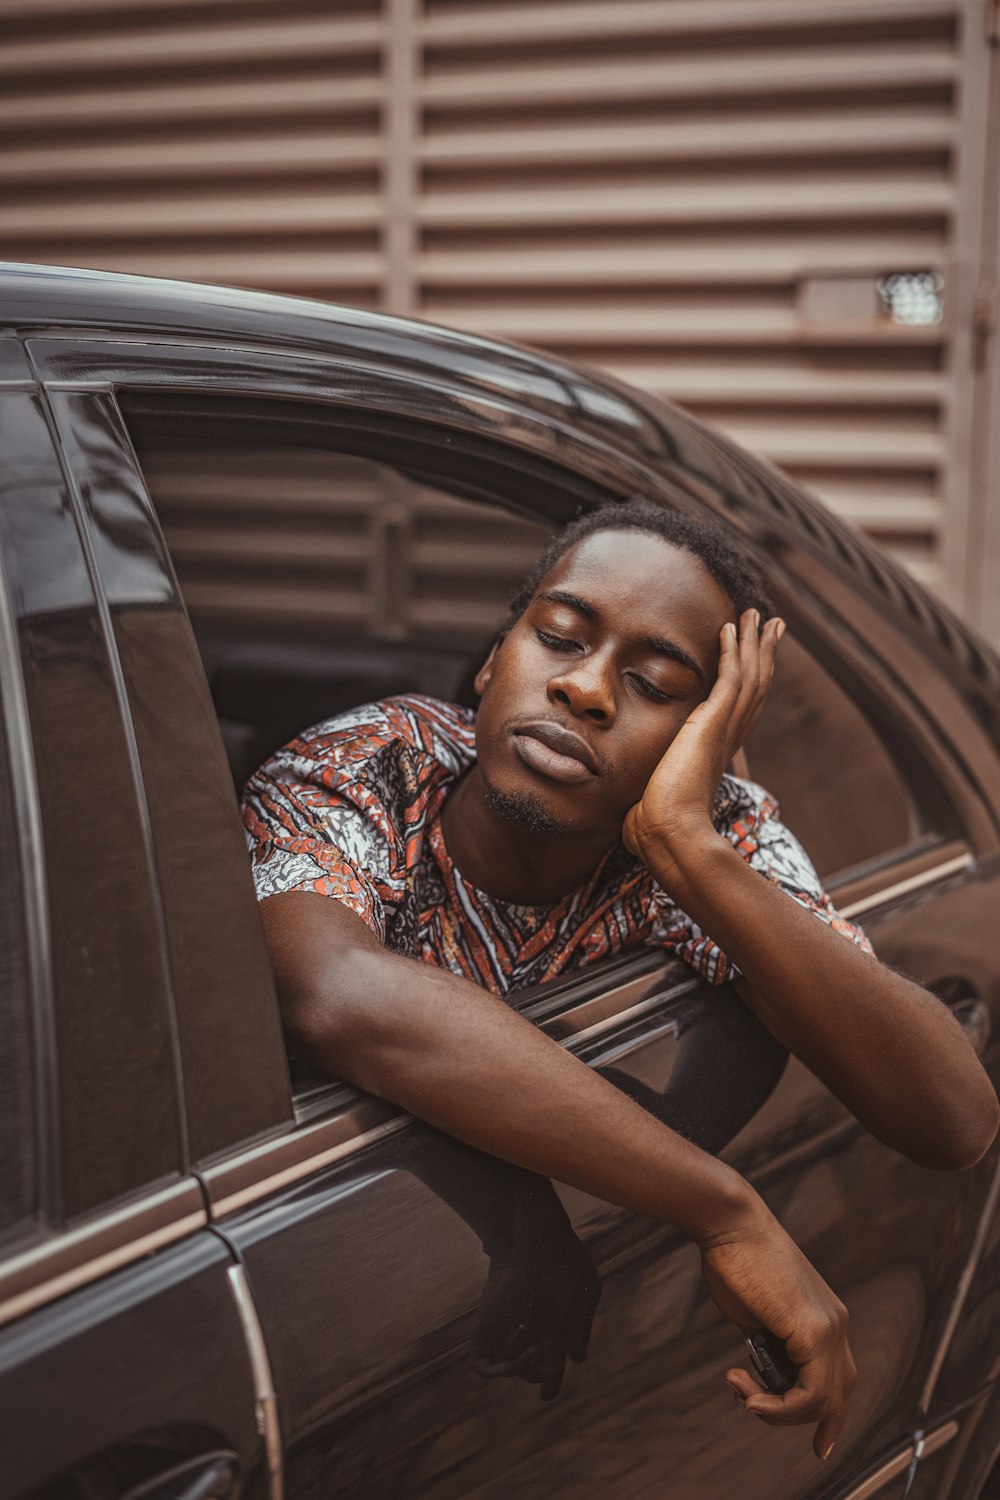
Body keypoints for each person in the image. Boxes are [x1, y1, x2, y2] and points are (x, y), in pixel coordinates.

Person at [242, 499, 999, 1462]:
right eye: (558, 636)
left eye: (654, 683)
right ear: (491, 660)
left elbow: (953, 1118)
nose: (588, 689)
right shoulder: (366, 765)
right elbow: (338, 991)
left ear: (704, 739)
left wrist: (688, 849)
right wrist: (723, 1209)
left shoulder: (710, 833)